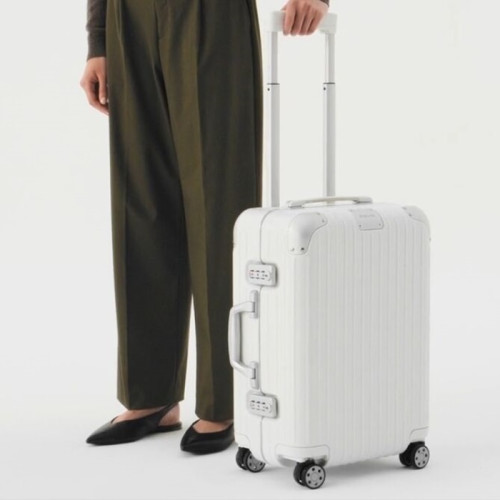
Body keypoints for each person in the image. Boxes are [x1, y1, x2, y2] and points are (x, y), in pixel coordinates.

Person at [79, 0, 330, 454]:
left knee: (219, 201)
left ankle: (224, 399)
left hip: (211, 15)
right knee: (141, 202)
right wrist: (99, 41)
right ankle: (150, 395)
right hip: (128, 18)